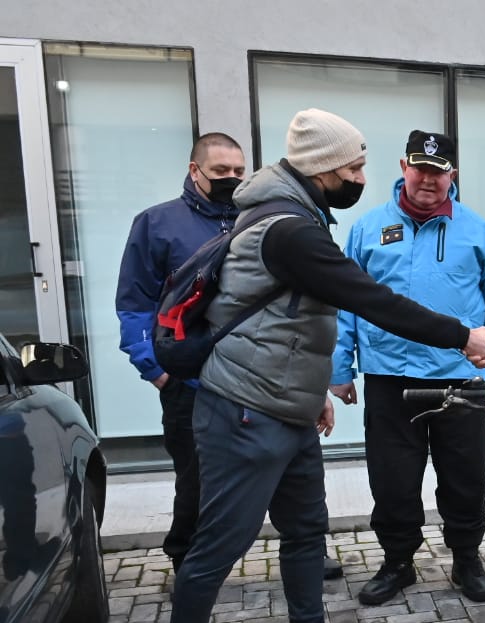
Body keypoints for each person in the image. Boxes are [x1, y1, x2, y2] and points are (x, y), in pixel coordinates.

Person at [149, 108, 485, 623]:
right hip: (244, 409)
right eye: (356, 166)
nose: (362, 176)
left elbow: (292, 320)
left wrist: (314, 389)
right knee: (217, 548)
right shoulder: (288, 229)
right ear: (322, 168)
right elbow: (369, 300)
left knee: (307, 531)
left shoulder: (301, 216)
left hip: (288, 407)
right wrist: (462, 335)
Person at [116, 135, 345, 581]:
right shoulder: (158, 224)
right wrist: (158, 370)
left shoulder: (263, 220)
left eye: (239, 171)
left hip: (269, 384)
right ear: (193, 170)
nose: (232, 179)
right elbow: (134, 304)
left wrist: (315, 384)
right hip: (195, 384)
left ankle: (307, 554)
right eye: (220, 171)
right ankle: (189, 563)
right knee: (197, 482)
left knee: (294, 477)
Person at [330, 131, 485, 606]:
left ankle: (466, 558)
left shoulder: (477, 230)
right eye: (420, 168)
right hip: (389, 378)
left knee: (465, 476)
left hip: (462, 377)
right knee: (392, 478)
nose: (428, 180)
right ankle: (398, 561)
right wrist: (340, 367)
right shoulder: (367, 229)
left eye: (438, 171)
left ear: (452, 174)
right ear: (402, 166)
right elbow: (344, 304)